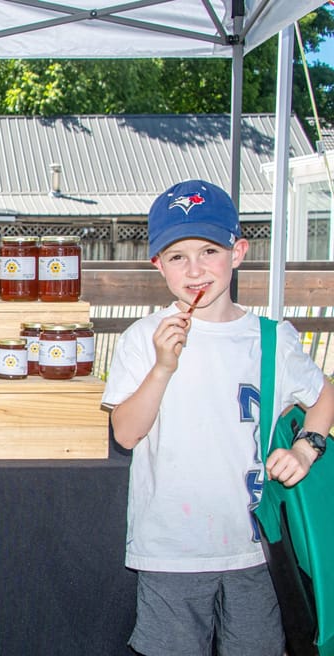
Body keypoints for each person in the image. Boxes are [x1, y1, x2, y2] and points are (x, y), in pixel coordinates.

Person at [101, 179, 334, 655]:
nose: (195, 269)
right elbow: (125, 433)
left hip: (257, 548)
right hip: (168, 549)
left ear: (239, 251)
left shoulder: (272, 338)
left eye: (209, 250)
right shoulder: (142, 337)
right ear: (158, 266)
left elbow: (324, 394)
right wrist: (163, 366)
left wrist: (306, 447)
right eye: (177, 256)